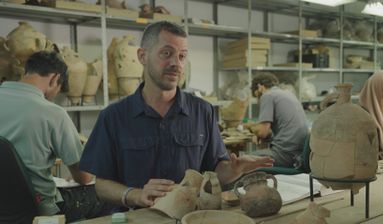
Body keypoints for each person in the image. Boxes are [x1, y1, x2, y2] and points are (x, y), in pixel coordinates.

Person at [79, 21, 273, 211]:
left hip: (189, 220)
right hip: (135, 223)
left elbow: (215, 171)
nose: (176, 63)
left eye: (182, 56)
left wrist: (233, 170)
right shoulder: (113, 117)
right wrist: (136, 194)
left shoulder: (202, 111)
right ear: (142, 56)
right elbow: (101, 185)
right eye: (166, 53)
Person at [0, 51, 104, 222]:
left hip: (5, 208)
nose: (55, 94)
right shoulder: (52, 113)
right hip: (40, 209)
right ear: (54, 79)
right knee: (104, 193)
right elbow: (84, 177)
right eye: (58, 88)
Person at [248, 72, 309, 168]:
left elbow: (263, 132)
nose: (258, 100)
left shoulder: (267, 95)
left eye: (257, 96)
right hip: (299, 155)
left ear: (260, 87)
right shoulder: (288, 93)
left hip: (286, 155)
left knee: (244, 160)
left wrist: (253, 130)